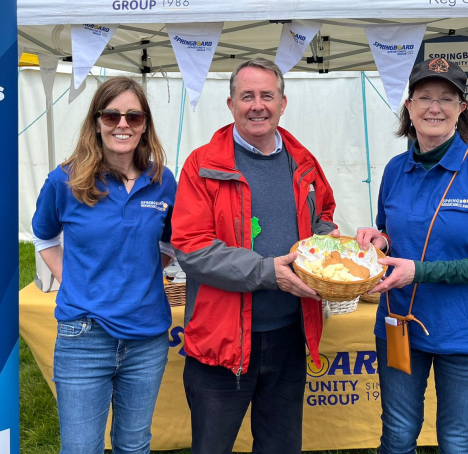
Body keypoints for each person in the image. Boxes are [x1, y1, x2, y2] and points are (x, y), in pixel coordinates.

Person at [357, 57, 468, 454]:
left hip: (464, 332)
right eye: (425, 98)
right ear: (410, 108)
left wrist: (420, 271)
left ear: (460, 109)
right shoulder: (395, 170)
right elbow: (392, 235)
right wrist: (378, 241)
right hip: (400, 328)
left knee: (456, 440)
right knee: (397, 435)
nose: (435, 107)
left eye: (447, 99)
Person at [172, 58, 338, 454]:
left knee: (280, 446)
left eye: (267, 95)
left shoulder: (304, 162)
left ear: (283, 103)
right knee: (212, 447)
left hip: (288, 336)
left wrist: (339, 252)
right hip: (222, 341)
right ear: (230, 105)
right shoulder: (203, 166)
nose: (257, 105)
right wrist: (267, 272)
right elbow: (191, 246)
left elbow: (323, 221)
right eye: (247, 96)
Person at [32, 77, 176, 454]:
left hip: (147, 338)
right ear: (96, 121)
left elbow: (169, 242)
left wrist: (142, 273)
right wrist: (72, 281)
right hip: (84, 337)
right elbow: (45, 238)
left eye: (133, 116)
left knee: (134, 444)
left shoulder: (163, 181)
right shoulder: (65, 180)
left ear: (145, 124)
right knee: (81, 448)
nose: (122, 124)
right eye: (111, 115)